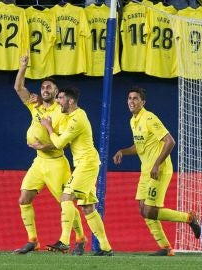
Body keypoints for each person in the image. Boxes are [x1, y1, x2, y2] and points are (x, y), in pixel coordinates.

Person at [112, 86, 201, 256]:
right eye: (129, 98)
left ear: (142, 102)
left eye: (135, 98)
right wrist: (123, 151)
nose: (131, 101)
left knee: (150, 211)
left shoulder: (149, 118)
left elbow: (170, 141)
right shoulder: (133, 121)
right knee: (142, 209)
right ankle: (165, 248)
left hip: (159, 169)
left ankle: (189, 218)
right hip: (146, 171)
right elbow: (140, 147)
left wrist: (157, 164)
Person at [13, 55, 87, 255]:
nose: (45, 90)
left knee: (66, 202)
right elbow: (19, 88)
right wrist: (22, 67)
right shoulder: (34, 104)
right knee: (23, 199)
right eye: (43, 87)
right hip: (39, 163)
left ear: (56, 93)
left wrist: (41, 146)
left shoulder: (61, 111)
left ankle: (80, 239)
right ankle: (33, 240)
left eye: (49, 88)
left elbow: (60, 142)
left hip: (56, 163)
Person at [40, 86, 113, 256]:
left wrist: (49, 127)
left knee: (66, 197)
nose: (58, 101)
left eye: (61, 98)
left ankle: (64, 241)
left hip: (87, 164)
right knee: (88, 207)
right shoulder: (69, 115)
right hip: (85, 163)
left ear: (71, 101)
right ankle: (106, 247)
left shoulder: (77, 119)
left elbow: (59, 144)